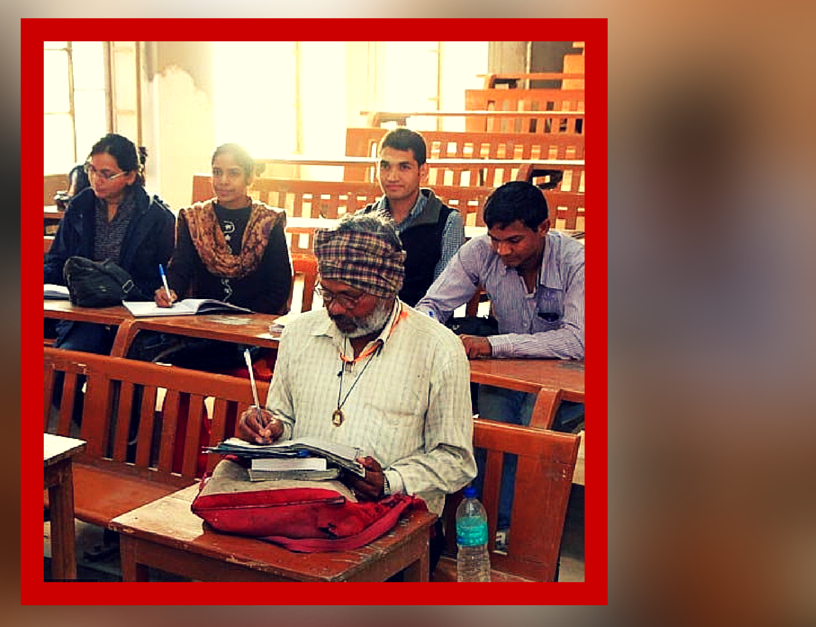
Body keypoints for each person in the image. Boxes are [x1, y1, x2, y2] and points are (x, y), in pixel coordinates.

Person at [237, 213, 476, 569]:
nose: (335, 308)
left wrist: (390, 482)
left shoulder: (437, 348)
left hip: (397, 522)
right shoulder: (300, 333)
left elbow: (456, 460)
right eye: (327, 293)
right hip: (306, 511)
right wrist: (269, 427)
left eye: (351, 297)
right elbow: (284, 417)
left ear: (387, 288)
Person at [416, 180, 585, 544]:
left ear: (543, 228)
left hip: (573, 377)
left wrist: (493, 346)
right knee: (492, 429)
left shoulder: (578, 262)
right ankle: (489, 526)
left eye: (514, 241)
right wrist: (429, 335)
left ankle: (525, 535)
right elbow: (431, 307)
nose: (502, 250)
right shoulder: (481, 251)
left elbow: (576, 340)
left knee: (530, 430)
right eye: (495, 239)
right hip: (507, 374)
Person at [44, 133, 175, 354]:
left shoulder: (156, 216)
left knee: (108, 360)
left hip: (132, 316)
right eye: (92, 170)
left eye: (106, 174)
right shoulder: (80, 206)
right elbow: (58, 261)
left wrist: (164, 291)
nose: (96, 179)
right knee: (68, 357)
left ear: (130, 176)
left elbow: (165, 275)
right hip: (83, 311)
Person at [155, 142, 292, 315]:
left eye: (233, 173)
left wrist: (245, 320)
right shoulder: (194, 219)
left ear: (249, 178)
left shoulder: (268, 222)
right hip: (202, 320)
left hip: (253, 321)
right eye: (217, 172)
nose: (223, 181)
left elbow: (279, 286)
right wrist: (170, 291)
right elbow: (181, 268)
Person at [355, 128, 464, 306]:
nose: (392, 177)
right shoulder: (363, 221)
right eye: (385, 166)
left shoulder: (447, 221)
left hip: (423, 322)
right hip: (370, 323)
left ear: (423, 171)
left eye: (404, 167)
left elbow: (442, 294)